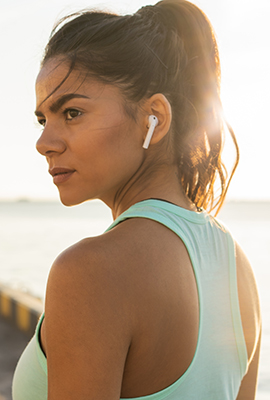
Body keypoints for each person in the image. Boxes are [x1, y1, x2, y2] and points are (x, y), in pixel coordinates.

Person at [12, 0, 261, 399]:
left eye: (72, 113)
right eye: (44, 120)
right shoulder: (237, 266)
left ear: (154, 119)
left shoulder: (90, 272)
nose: (44, 143)